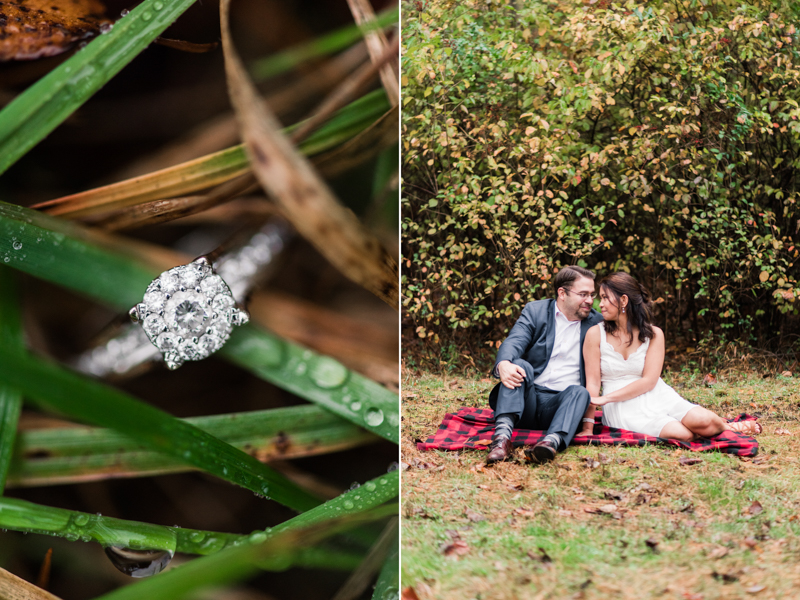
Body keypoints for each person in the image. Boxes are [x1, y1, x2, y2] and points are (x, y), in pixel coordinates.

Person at [578, 272, 762, 440]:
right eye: (600, 298)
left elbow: (649, 381)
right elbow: (593, 384)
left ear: (623, 300)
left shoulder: (654, 334)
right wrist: (588, 427)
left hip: (655, 393)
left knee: (705, 422)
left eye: (605, 298)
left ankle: (728, 426)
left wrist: (605, 399)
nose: (599, 304)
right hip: (621, 405)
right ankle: (717, 427)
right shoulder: (595, 334)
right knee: (682, 435)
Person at [487, 266, 604, 464]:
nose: (590, 301)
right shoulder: (537, 311)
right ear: (562, 293)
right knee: (519, 364)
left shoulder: (597, 323)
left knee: (580, 392)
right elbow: (515, 341)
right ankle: (502, 439)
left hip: (563, 406)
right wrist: (504, 364)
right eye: (583, 294)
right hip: (526, 401)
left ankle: (550, 443)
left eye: (592, 295)